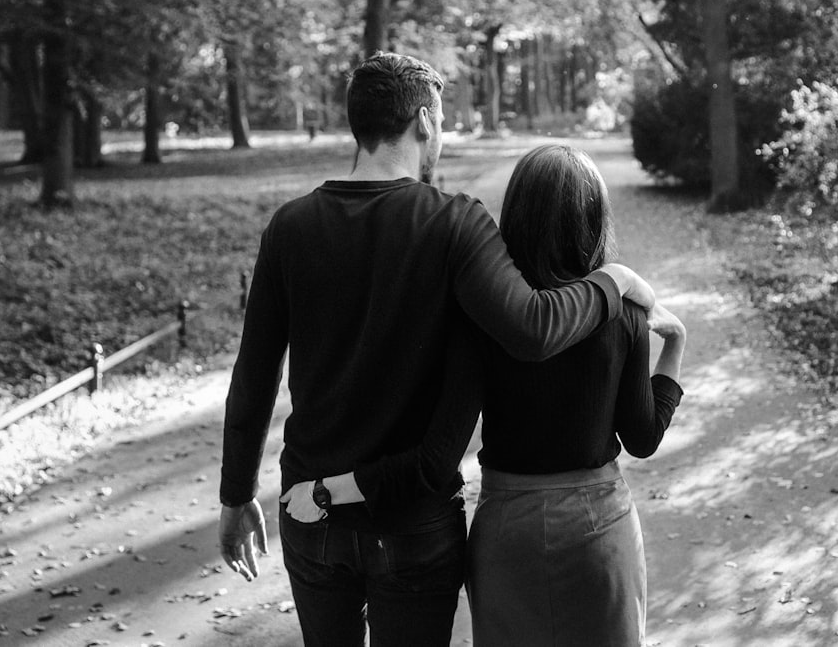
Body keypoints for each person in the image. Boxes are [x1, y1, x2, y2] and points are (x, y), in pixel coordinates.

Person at [217, 52, 656, 647]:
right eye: (443, 124)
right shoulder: (454, 223)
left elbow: (254, 374)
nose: (442, 138)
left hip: (311, 513)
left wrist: (237, 495)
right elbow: (532, 327)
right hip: (414, 525)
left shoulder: (289, 227)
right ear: (424, 121)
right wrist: (615, 282)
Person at [284, 144, 687, 646]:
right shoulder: (621, 315)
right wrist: (674, 347)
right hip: (597, 527)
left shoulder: (483, 317)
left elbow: (440, 444)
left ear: (515, 214)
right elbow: (643, 438)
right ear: (594, 219)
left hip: (506, 530)